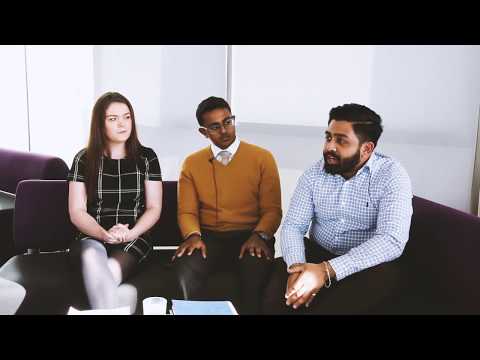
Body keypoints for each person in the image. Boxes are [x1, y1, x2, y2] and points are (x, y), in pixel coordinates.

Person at [263, 103, 413, 314]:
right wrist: (297, 269)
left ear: (367, 148)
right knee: (273, 299)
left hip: (364, 265)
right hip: (315, 254)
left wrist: (326, 271)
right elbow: (293, 226)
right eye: (328, 137)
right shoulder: (314, 173)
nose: (329, 147)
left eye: (341, 141)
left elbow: (392, 240)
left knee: (375, 283)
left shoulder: (391, 176)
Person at [172, 96, 282, 314]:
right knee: (186, 268)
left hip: (251, 235)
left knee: (254, 269)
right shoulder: (192, 163)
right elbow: (187, 211)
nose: (224, 130)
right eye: (215, 127)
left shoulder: (262, 158)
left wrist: (260, 236)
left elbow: (272, 210)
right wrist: (193, 235)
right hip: (208, 237)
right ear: (203, 132)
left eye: (228, 122)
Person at [68, 92, 163, 312]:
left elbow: (154, 208)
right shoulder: (84, 159)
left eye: (126, 117)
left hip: (134, 236)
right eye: (113, 119)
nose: (122, 124)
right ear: (100, 125)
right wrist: (103, 234)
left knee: (107, 272)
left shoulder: (147, 158)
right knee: (93, 257)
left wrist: (130, 233)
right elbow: (77, 211)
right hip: (92, 235)